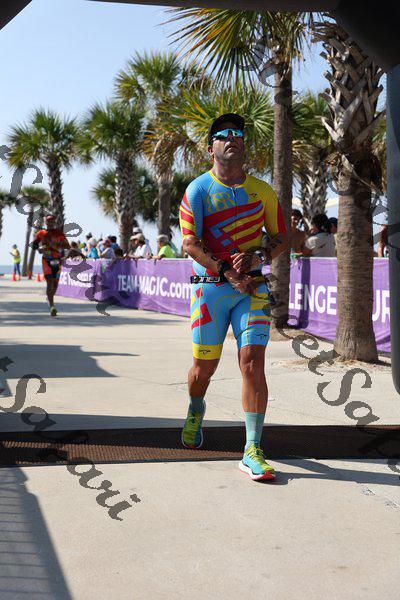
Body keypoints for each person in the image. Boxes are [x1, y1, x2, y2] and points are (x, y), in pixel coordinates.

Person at [179, 113, 287, 481]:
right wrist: (227, 271)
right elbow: (190, 243)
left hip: (252, 289)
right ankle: (196, 407)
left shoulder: (263, 191)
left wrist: (259, 257)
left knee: (252, 362)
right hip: (210, 289)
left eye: (238, 134)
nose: (233, 139)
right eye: (224, 135)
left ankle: (252, 448)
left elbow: (281, 236)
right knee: (203, 369)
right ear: (210, 148)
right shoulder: (198, 190)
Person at [32, 214, 70, 316]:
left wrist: (60, 247)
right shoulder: (41, 233)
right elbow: (34, 245)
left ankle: (49, 298)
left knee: (55, 285)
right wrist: (39, 249)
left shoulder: (59, 233)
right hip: (46, 261)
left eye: (52, 221)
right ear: (45, 222)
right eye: (48, 221)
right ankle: (52, 306)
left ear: (54, 222)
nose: (50, 223)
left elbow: (67, 246)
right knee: (49, 282)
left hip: (57, 260)